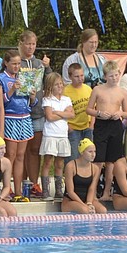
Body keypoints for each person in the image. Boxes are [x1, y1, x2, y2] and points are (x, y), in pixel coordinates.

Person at [0, 49, 38, 200]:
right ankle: (5, 188)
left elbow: (32, 103)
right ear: (6, 63)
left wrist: (33, 97)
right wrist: (12, 89)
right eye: (13, 63)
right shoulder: (0, 78)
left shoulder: (25, 76)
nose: (16, 66)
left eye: (18, 63)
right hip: (10, 117)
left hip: (25, 118)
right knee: (10, 155)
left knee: (21, 155)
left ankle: (18, 190)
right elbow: (1, 103)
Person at [86, 60, 127, 201]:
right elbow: (88, 109)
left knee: (112, 162)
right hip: (101, 125)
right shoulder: (98, 90)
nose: (114, 78)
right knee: (98, 160)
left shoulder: (123, 92)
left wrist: (120, 114)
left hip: (115, 126)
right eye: (111, 76)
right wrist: (98, 113)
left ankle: (106, 192)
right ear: (105, 76)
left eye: (116, 75)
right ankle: (92, 192)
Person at [19, 30, 52, 198]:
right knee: (19, 152)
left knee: (34, 150)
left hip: (37, 112)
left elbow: (50, 81)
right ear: (21, 44)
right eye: (28, 44)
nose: (31, 47)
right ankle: (19, 184)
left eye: (33, 44)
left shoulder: (39, 63)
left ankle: (34, 183)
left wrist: (47, 68)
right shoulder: (16, 62)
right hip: (19, 112)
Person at [40, 72, 74, 200]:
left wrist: (58, 113)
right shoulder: (47, 100)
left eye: (61, 84)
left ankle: (59, 190)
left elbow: (71, 115)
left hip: (62, 135)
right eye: (56, 85)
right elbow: (49, 117)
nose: (60, 86)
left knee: (60, 163)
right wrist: (64, 113)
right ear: (50, 87)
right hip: (51, 135)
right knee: (48, 162)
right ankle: (45, 190)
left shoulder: (66, 99)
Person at [61, 138, 106, 214]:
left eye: (94, 151)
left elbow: (92, 189)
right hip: (70, 201)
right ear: (82, 152)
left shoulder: (95, 168)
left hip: (87, 200)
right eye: (90, 152)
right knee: (85, 210)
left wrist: (89, 203)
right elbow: (70, 192)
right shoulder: (71, 166)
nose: (93, 154)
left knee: (103, 211)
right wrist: (83, 205)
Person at [63, 63, 93, 162]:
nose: (80, 78)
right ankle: (70, 176)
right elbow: (61, 111)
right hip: (73, 128)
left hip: (87, 127)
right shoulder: (65, 92)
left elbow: (93, 107)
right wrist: (68, 127)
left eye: (82, 75)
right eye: (76, 76)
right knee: (73, 156)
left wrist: (91, 124)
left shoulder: (88, 89)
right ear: (70, 77)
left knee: (88, 156)